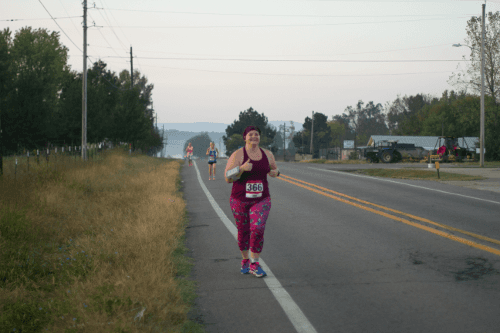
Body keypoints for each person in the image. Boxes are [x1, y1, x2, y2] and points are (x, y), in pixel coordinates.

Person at [224, 126, 280, 277]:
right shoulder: (238, 154)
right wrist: (241, 169)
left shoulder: (267, 154)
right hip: (239, 199)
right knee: (243, 231)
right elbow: (227, 177)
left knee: (257, 228)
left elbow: (274, 169)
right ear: (245, 137)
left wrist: (276, 172)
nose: (254, 137)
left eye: (256, 134)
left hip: (261, 199)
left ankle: (255, 263)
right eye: (250, 134)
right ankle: (245, 260)